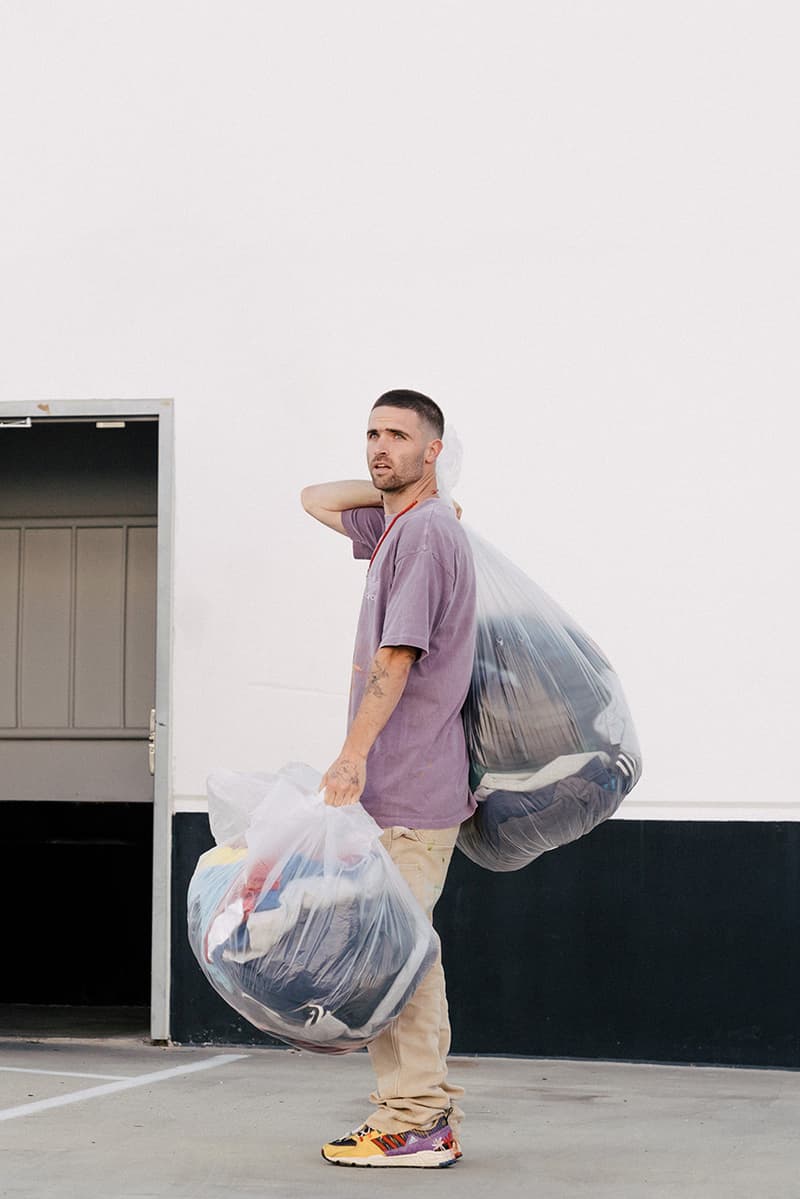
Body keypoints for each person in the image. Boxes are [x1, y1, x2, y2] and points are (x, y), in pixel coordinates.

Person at [300, 389, 477, 1169]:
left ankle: (417, 1121)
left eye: (400, 435)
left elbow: (396, 656)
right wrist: (384, 478)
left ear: (435, 450)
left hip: (408, 788)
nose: (380, 446)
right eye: (372, 433)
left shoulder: (427, 534)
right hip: (393, 791)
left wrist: (353, 753)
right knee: (398, 951)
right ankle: (413, 1113)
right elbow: (312, 499)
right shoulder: (399, 526)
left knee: (402, 954)